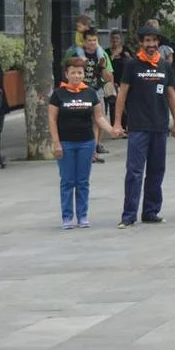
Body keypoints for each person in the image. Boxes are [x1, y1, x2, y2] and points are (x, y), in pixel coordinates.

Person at [112, 24, 175, 228]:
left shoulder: (165, 66)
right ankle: (129, 215)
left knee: (157, 170)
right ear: (141, 42)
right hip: (138, 126)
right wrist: (117, 123)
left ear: (158, 42)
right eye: (147, 41)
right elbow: (122, 95)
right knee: (134, 171)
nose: (151, 44)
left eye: (154, 40)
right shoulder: (132, 65)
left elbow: (172, 96)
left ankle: (151, 211)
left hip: (160, 126)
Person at [49, 57, 120, 228]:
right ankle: (67, 217)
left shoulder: (90, 93)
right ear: (67, 74)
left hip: (86, 142)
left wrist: (111, 130)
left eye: (79, 72)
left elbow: (98, 117)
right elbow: (52, 119)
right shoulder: (58, 94)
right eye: (73, 72)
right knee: (67, 181)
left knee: (82, 181)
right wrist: (56, 143)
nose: (76, 76)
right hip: (66, 143)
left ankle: (82, 216)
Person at [63, 26, 114, 164]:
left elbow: (108, 77)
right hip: (80, 91)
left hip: (96, 90)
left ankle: (93, 152)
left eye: (94, 40)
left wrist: (102, 67)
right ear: (84, 42)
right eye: (89, 40)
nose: (92, 43)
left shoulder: (101, 55)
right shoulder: (77, 55)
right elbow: (68, 72)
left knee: (98, 121)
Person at [106, 30, 133, 133]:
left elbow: (133, 63)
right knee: (113, 104)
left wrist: (129, 57)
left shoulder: (126, 50)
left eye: (117, 38)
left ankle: (126, 126)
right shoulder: (107, 52)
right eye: (113, 38)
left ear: (121, 39)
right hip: (112, 82)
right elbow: (106, 65)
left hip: (125, 82)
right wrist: (113, 55)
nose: (115, 40)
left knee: (126, 104)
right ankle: (116, 127)